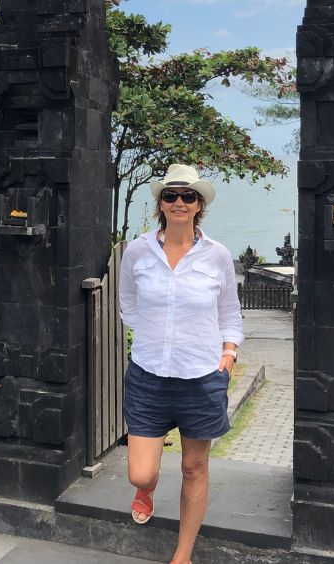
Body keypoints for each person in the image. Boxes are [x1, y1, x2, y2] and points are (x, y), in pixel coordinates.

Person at [118, 164, 243, 564]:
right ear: (160, 203)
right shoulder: (137, 250)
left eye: (188, 196)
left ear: (199, 205)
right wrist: (157, 339)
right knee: (140, 472)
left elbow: (230, 313)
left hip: (201, 377)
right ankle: (146, 488)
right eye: (170, 195)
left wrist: (228, 353)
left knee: (194, 467)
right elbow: (128, 305)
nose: (179, 202)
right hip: (148, 376)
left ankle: (183, 554)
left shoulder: (218, 255)